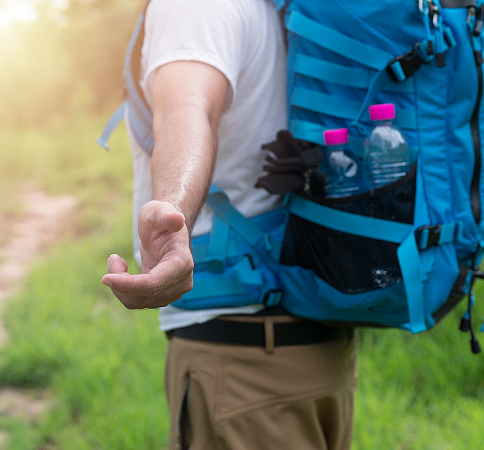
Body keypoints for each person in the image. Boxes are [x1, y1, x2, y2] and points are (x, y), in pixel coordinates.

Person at [100, 0, 358, 448]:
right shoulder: (284, 11)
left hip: (244, 366)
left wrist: (172, 214)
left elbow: (188, 110)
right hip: (321, 350)